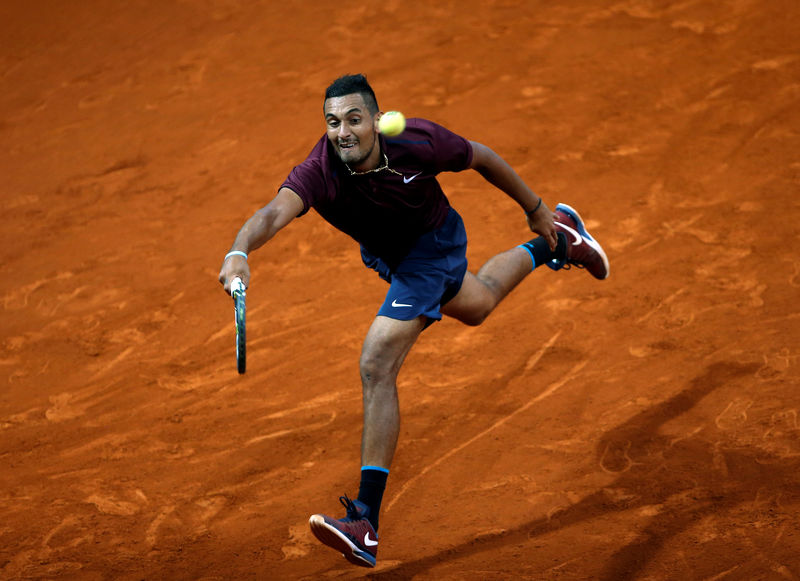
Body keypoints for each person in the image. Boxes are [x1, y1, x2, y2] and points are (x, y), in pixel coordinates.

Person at [218, 74, 609, 568]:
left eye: (354, 120)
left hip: (433, 244)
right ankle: (560, 240)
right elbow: (274, 212)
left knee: (376, 362)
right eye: (333, 122)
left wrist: (533, 208)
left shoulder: (414, 139)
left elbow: (483, 157)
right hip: (395, 259)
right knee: (480, 302)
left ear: (376, 121)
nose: (343, 132)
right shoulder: (320, 169)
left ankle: (365, 521)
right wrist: (239, 249)